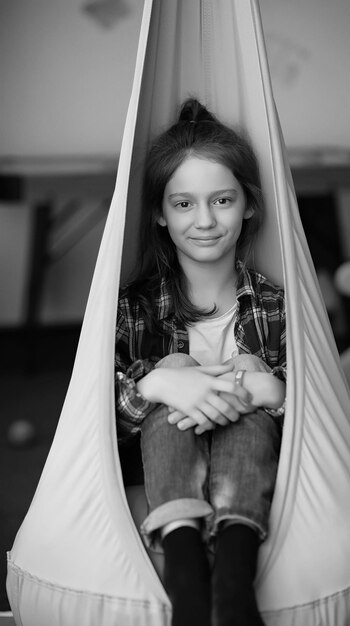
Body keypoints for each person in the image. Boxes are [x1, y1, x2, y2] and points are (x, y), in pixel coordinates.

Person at [115, 98, 286, 626]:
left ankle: (233, 573)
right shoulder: (133, 306)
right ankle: (185, 564)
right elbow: (97, 417)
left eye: (223, 200)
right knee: (173, 366)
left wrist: (265, 391)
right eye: (184, 204)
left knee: (256, 370)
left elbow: (321, 413)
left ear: (249, 205)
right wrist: (164, 386)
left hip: (251, 461)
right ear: (159, 215)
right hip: (165, 456)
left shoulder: (279, 305)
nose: (206, 221)